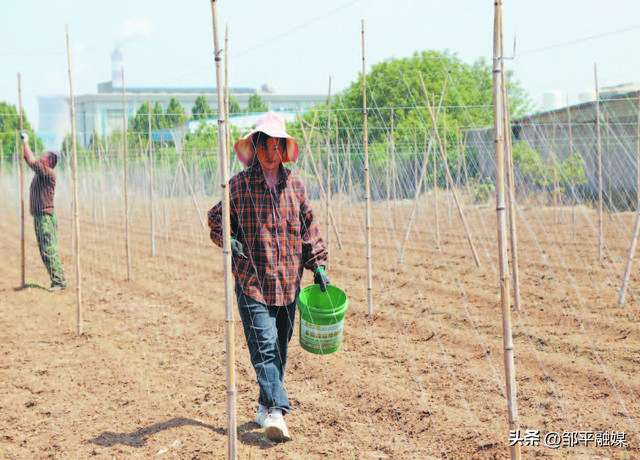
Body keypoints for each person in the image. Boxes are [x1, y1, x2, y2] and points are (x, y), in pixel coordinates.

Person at [207, 111, 330, 442]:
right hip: (252, 281)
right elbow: (216, 219)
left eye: (277, 148)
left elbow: (309, 229)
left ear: (284, 150)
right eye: (265, 148)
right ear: (255, 148)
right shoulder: (239, 185)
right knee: (263, 347)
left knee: (279, 349)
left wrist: (318, 265)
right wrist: (229, 241)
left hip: (289, 283)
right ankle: (276, 411)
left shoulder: (296, 188)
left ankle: (264, 406)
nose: (271, 155)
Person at [20, 130, 66, 291]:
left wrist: (25, 140)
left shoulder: (48, 174)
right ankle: (56, 280)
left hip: (45, 218)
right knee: (44, 250)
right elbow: (28, 159)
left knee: (48, 249)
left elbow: (32, 161)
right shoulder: (41, 173)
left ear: (49, 162)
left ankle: (59, 281)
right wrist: (23, 145)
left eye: (44, 157)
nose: (41, 158)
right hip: (39, 217)